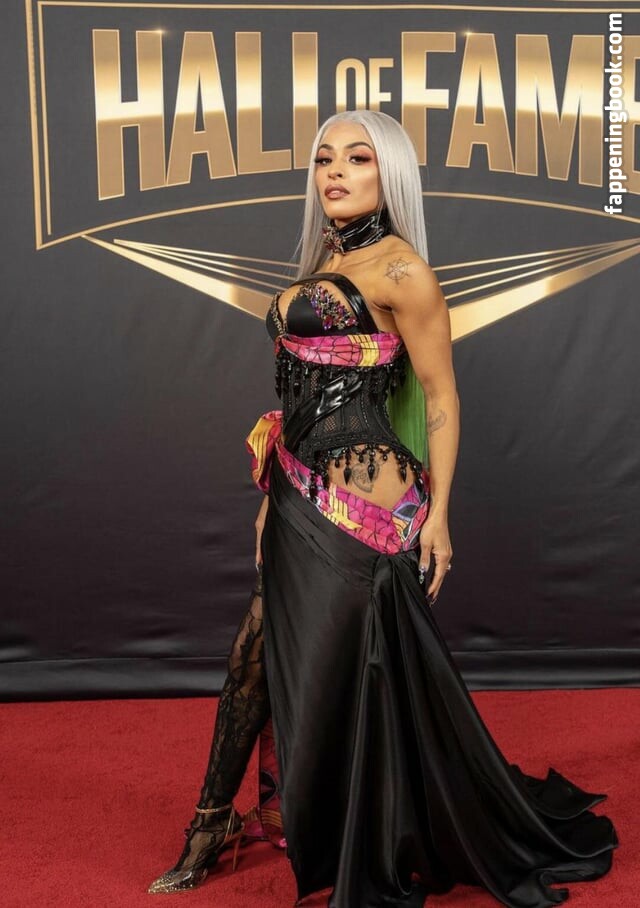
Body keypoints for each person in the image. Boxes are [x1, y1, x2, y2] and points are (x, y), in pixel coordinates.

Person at [148, 110, 618, 907]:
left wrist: (439, 517)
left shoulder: (404, 271)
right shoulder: (326, 262)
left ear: (388, 173)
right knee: (258, 658)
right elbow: (296, 393)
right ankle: (213, 823)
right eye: (324, 158)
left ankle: (337, 824)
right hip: (295, 490)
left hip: (364, 510)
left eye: (357, 158)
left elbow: (440, 397)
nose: (335, 171)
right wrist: (271, 494)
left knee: (333, 669)